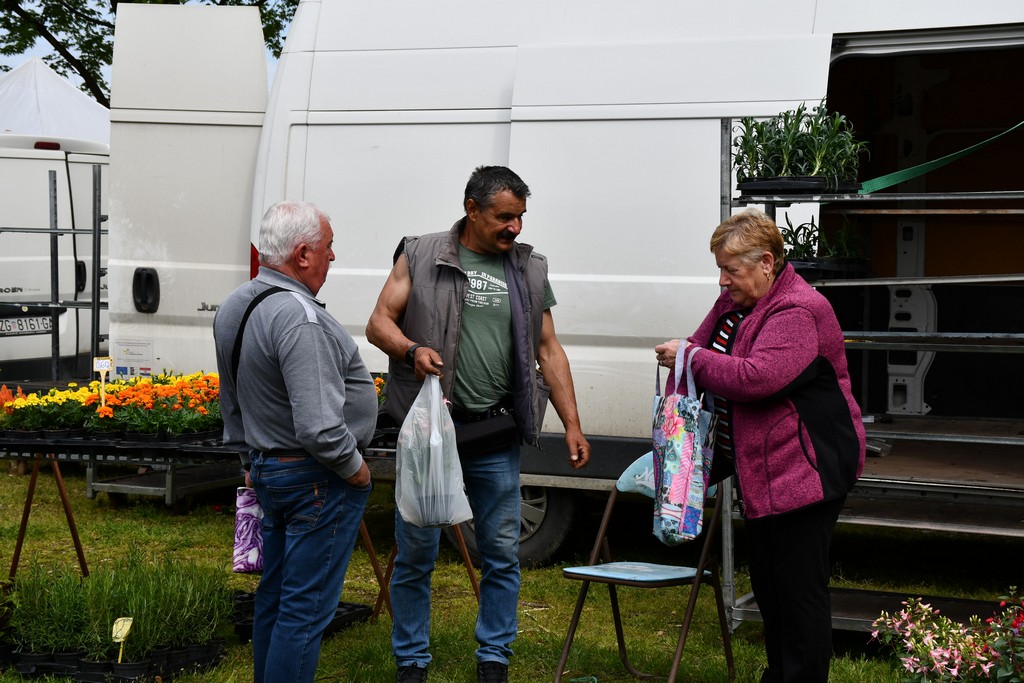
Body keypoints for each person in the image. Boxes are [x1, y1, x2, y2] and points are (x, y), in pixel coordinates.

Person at [366, 165, 591, 683]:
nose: (515, 228)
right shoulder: (421, 253)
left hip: (494, 434)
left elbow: (548, 349)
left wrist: (572, 424)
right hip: (430, 435)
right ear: (472, 209)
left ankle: (493, 660)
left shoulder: (530, 269)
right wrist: (412, 349)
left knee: (501, 553)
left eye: (520, 217)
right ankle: (411, 663)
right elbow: (379, 321)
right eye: (504, 217)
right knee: (417, 549)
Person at [655, 207, 865, 683]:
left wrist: (689, 358)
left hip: (806, 468)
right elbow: (699, 344)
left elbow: (757, 378)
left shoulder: (799, 310)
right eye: (720, 270)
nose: (723, 281)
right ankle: (781, 675)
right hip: (764, 470)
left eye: (731, 269)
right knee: (771, 587)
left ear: (767, 262)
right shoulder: (735, 300)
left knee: (798, 590)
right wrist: (688, 353)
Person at [213, 200, 377, 683]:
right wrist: (356, 471)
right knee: (304, 610)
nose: (332, 258)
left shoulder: (237, 304)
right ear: (303, 253)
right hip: (315, 478)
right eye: (328, 248)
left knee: (277, 596)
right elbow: (320, 427)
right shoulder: (299, 317)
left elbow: (233, 400)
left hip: (272, 470)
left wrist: (251, 458)